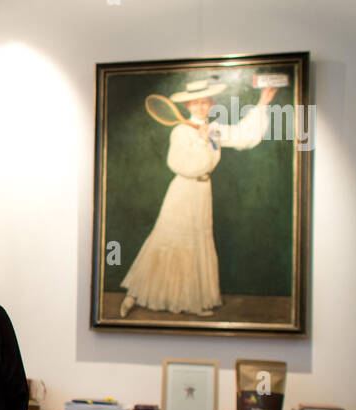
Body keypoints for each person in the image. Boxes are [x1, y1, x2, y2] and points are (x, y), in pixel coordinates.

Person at [119, 79, 278, 317]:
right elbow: (179, 164)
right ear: (188, 106)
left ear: (211, 104)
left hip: (202, 194)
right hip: (182, 193)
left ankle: (193, 302)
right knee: (166, 239)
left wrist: (263, 103)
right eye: (196, 103)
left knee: (195, 242)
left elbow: (244, 136)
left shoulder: (214, 129)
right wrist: (202, 141)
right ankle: (133, 296)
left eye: (205, 102)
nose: (201, 107)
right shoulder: (180, 131)